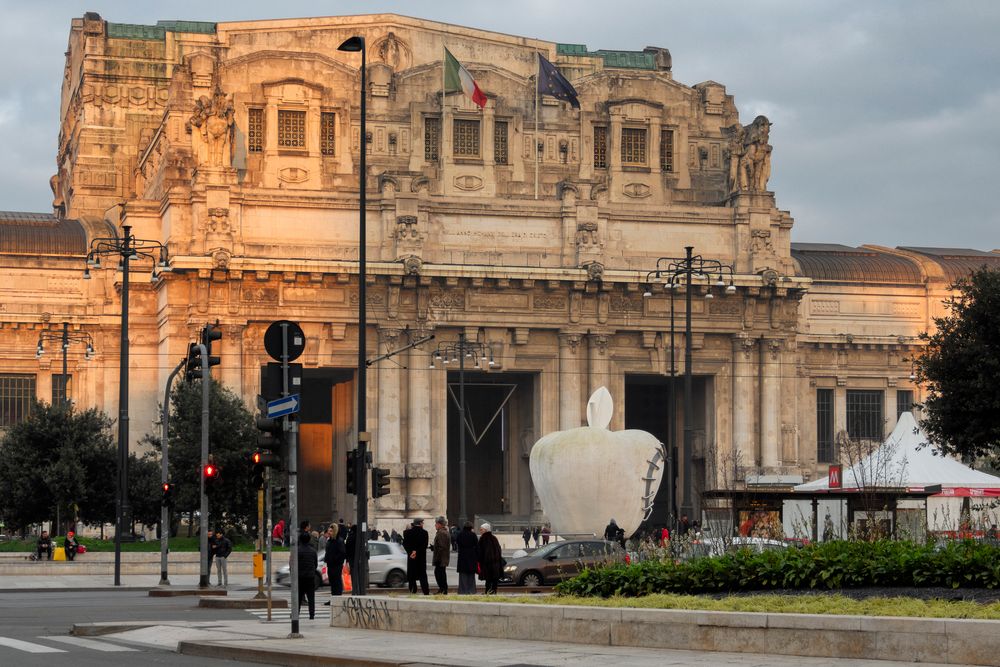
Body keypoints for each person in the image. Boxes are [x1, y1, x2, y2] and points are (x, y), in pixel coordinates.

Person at [402, 518, 430, 595]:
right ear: (420, 523)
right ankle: (425, 591)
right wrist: (416, 551)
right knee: (422, 575)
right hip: (421, 558)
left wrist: (411, 552)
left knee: (411, 575)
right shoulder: (424, 533)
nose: (423, 524)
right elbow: (424, 545)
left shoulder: (407, 533)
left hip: (411, 557)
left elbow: (405, 544)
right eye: (422, 523)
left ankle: (413, 591)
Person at [476, 522, 503, 594]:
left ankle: (487, 592)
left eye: (481, 530)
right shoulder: (494, 538)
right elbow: (499, 550)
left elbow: (481, 552)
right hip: (496, 563)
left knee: (488, 579)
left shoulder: (483, 539)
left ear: (486, 530)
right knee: (494, 579)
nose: (480, 531)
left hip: (487, 563)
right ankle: (494, 592)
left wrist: (480, 561)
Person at [322, 524, 347, 604]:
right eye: (329, 530)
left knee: (337, 581)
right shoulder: (329, 540)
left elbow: (342, 553)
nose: (329, 532)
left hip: (336, 565)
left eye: (331, 531)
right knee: (332, 582)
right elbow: (327, 552)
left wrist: (334, 559)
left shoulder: (339, 541)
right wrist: (326, 560)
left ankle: (337, 598)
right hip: (330, 564)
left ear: (335, 531)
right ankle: (333, 599)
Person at [297, 532, 318, 620]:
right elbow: (315, 564)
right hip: (310, 577)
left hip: (300, 577)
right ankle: (311, 614)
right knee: (311, 597)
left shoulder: (297, 550)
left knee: (298, 597)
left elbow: (294, 564)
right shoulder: (313, 551)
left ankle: (296, 613)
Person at [456, 521, 478, 595]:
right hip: (472, 557)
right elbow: (476, 545)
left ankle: (462, 591)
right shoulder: (473, 535)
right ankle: (471, 590)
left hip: (462, 556)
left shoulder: (460, 535)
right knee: (471, 576)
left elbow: (457, 543)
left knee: (463, 576)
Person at [432, 516, 451, 594]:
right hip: (442, 558)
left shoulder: (441, 533)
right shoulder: (443, 532)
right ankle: (442, 589)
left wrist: (437, 558)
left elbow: (442, 547)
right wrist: (434, 547)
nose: (435, 525)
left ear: (440, 524)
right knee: (440, 573)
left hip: (441, 558)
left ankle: (443, 590)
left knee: (439, 574)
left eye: (436, 523)